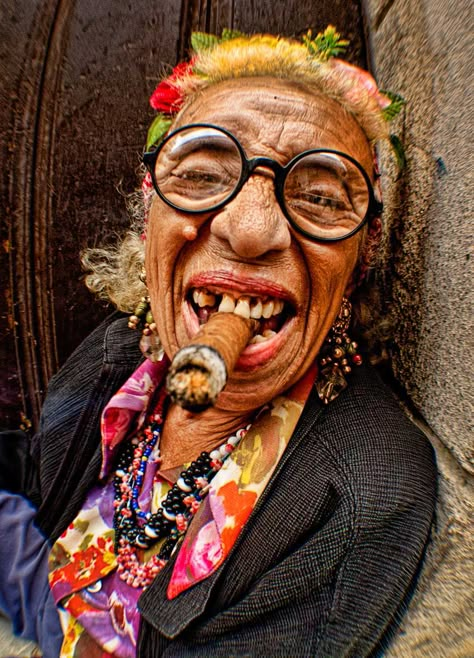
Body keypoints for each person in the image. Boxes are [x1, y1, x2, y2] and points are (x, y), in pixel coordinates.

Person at [0, 27, 436, 658]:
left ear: (360, 259)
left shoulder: (365, 489)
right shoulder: (116, 356)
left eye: (319, 197)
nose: (250, 230)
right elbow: (41, 476)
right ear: (149, 216)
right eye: (203, 176)